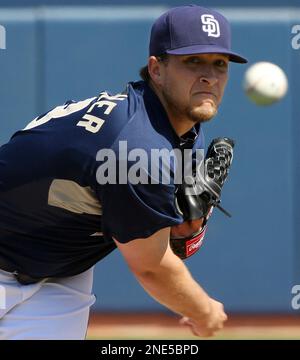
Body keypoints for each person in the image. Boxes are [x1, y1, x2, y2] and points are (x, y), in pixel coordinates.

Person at [0, 5, 247, 340]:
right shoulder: (137, 145)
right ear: (157, 70)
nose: (210, 76)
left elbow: (175, 241)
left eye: (219, 64)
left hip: (58, 272)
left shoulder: (181, 127)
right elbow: (152, 266)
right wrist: (203, 311)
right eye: (193, 61)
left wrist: (188, 223)